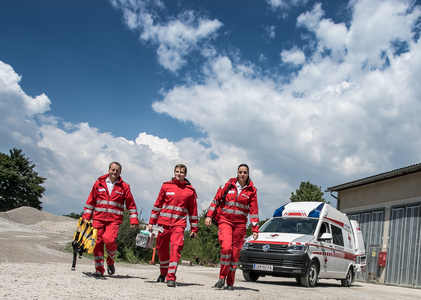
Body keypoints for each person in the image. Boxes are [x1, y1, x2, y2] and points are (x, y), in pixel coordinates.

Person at [205, 164, 259, 291]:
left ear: (248, 174)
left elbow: (254, 211)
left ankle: (230, 283)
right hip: (225, 221)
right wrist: (209, 216)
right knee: (226, 247)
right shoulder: (228, 185)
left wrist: (255, 230)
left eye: (245, 172)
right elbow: (215, 200)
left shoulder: (252, 190)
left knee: (234, 255)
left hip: (240, 225)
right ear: (237, 173)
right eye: (240, 172)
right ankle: (221, 277)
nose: (242, 174)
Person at [82, 162, 139, 277]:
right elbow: (90, 202)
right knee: (97, 242)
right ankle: (99, 269)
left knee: (109, 240)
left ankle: (110, 260)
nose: (114, 172)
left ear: (120, 172)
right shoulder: (99, 183)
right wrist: (86, 217)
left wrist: (133, 220)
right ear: (109, 170)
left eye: (117, 171)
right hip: (98, 218)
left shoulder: (124, 187)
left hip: (114, 220)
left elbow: (131, 205)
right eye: (113, 170)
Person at [147, 164, 198, 287]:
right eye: (177, 171)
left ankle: (171, 277)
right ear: (174, 172)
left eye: (181, 172)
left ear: (185, 175)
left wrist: (194, 229)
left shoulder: (190, 192)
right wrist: (151, 223)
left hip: (178, 225)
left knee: (176, 248)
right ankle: (163, 272)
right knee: (161, 249)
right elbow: (157, 205)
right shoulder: (166, 186)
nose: (178, 174)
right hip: (163, 224)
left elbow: (193, 212)